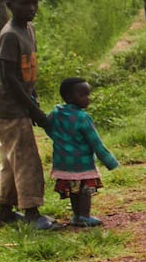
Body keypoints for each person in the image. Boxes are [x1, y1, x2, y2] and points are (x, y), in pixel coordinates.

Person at [0, 0, 56, 230]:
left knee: (11, 161)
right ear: (10, 6)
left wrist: (34, 99)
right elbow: (9, 78)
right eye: (24, 3)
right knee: (26, 159)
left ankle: (5, 212)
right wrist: (33, 110)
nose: (31, 8)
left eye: (34, 2)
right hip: (10, 108)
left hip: (20, 105)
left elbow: (28, 74)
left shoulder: (29, 30)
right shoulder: (9, 35)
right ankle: (31, 213)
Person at [47, 77, 119, 228]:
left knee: (74, 190)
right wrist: (110, 162)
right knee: (85, 190)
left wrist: (60, 140)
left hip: (63, 163)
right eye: (83, 95)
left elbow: (49, 127)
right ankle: (84, 216)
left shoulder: (56, 112)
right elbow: (95, 142)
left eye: (88, 94)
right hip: (82, 163)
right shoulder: (82, 117)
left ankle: (76, 216)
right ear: (68, 97)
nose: (88, 99)